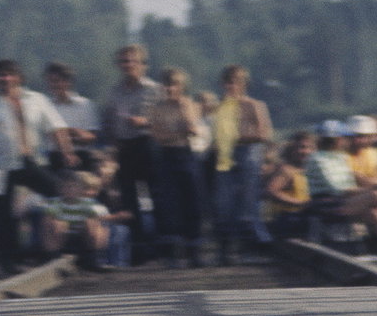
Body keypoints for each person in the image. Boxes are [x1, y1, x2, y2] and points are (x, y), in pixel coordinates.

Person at [0, 60, 75, 275]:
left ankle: (55, 246)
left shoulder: (36, 100)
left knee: (58, 192)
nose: (4, 79)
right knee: (2, 214)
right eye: (0, 75)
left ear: (18, 77)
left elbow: (57, 127)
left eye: (8, 74)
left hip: (28, 160)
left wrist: (67, 152)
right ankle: (8, 262)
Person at [306, 120, 377, 257]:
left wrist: (375, 186)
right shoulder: (318, 159)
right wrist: (369, 190)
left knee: (375, 213)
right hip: (326, 204)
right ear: (336, 139)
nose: (347, 141)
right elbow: (339, 189)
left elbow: (354, 182)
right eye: (344, 138)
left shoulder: (339, 157)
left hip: (342, 200)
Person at [209, 65, 274, 264]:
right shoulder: (221, 108)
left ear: (243, 85)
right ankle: (226, 250)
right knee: (224, 203)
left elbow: (264, 134)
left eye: (235, 83)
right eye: (227, 83)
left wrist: (238, 136)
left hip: (249, 153)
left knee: (248, 201)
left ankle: (251, 248)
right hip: (226, 156)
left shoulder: (254, 105)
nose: (230, 87)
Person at [102, 44, 161, 263]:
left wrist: (144, 121)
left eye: (132, 61)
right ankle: (137, 246)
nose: (128, 65)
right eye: (124, 61)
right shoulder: (114, 91)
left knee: (155, 194)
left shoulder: (154, 89)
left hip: (147, 144)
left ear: (142, 64)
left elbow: (164, 119)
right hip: (124, 146)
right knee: (129, 198)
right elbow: (108, 122)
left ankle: (158, 244)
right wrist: (111, 149)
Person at [144, 67, 207, 266]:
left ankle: (194, 251)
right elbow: (158, 136)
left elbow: (193, 128)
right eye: (167, 85)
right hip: (166, 156)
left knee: (193, 201)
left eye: (174, 85)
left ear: (181, 87)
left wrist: (182, 115)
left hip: (186, 155)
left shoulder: (189, 104)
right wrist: (180, 132)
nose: (170, 89)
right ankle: (173, 253)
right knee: (170, 203)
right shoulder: (156, 108)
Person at [40, 171, 115, 271]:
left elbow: (96, 219)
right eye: (66, 187)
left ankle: (94, 258)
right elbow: (48, 219)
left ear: (80, 189)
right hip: (61, 236)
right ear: (60, 189)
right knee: (52, 222)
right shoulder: (55, 202)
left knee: (94, 223)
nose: (70, 190)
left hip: (82, 234)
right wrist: (61, 224)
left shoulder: (87, 203)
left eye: (73, 186)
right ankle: (52, 258)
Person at [42, 62, 100, 170]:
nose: (53, 85)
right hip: (56, 157)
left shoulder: (85, 104)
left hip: (82, 156)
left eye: (56, 81)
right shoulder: (45, 106)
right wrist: (75, 134)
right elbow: (48, 136)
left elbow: (91, 137)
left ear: (68, 82)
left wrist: (66, 132)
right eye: (50, 82)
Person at [264, 131, 315, 239]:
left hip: (306, 216)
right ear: (292, 150)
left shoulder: (311, 170)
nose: (305, 151)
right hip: (288, 218)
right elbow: (271, 191)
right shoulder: (287, 170)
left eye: (308, 148)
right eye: (301, 147)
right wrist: (299, 203)